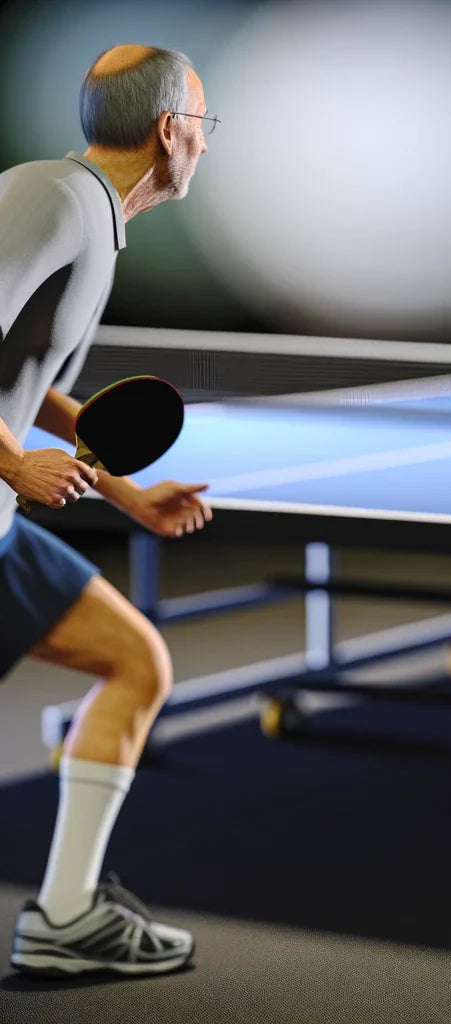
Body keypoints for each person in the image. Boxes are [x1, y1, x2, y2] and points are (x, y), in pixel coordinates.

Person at [0, 45, 217, 976]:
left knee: (136, 662)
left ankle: (67, 916)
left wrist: (129, 493)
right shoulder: (50, 200)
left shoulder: (89, 214)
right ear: (169, 131)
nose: (208, 142)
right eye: (205, 122)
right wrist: (13, 464)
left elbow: (25, 372)